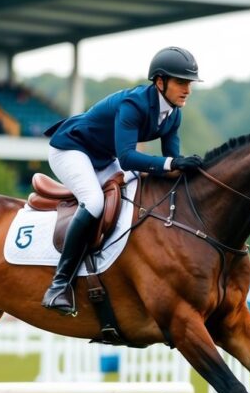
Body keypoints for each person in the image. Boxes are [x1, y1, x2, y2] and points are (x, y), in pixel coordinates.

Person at [40, 46, 205, 316]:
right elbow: (128, 158)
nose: (187, 89)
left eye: (190, 83)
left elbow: (171, 162)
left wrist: (191, 169)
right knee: (93, 202)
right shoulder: (134, 104)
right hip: (70, 149)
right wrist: (172, 164)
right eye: (181, 82)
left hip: (103, 157)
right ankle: (59, 284)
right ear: (160, 82)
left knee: (137, 192)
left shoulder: (174, 113)